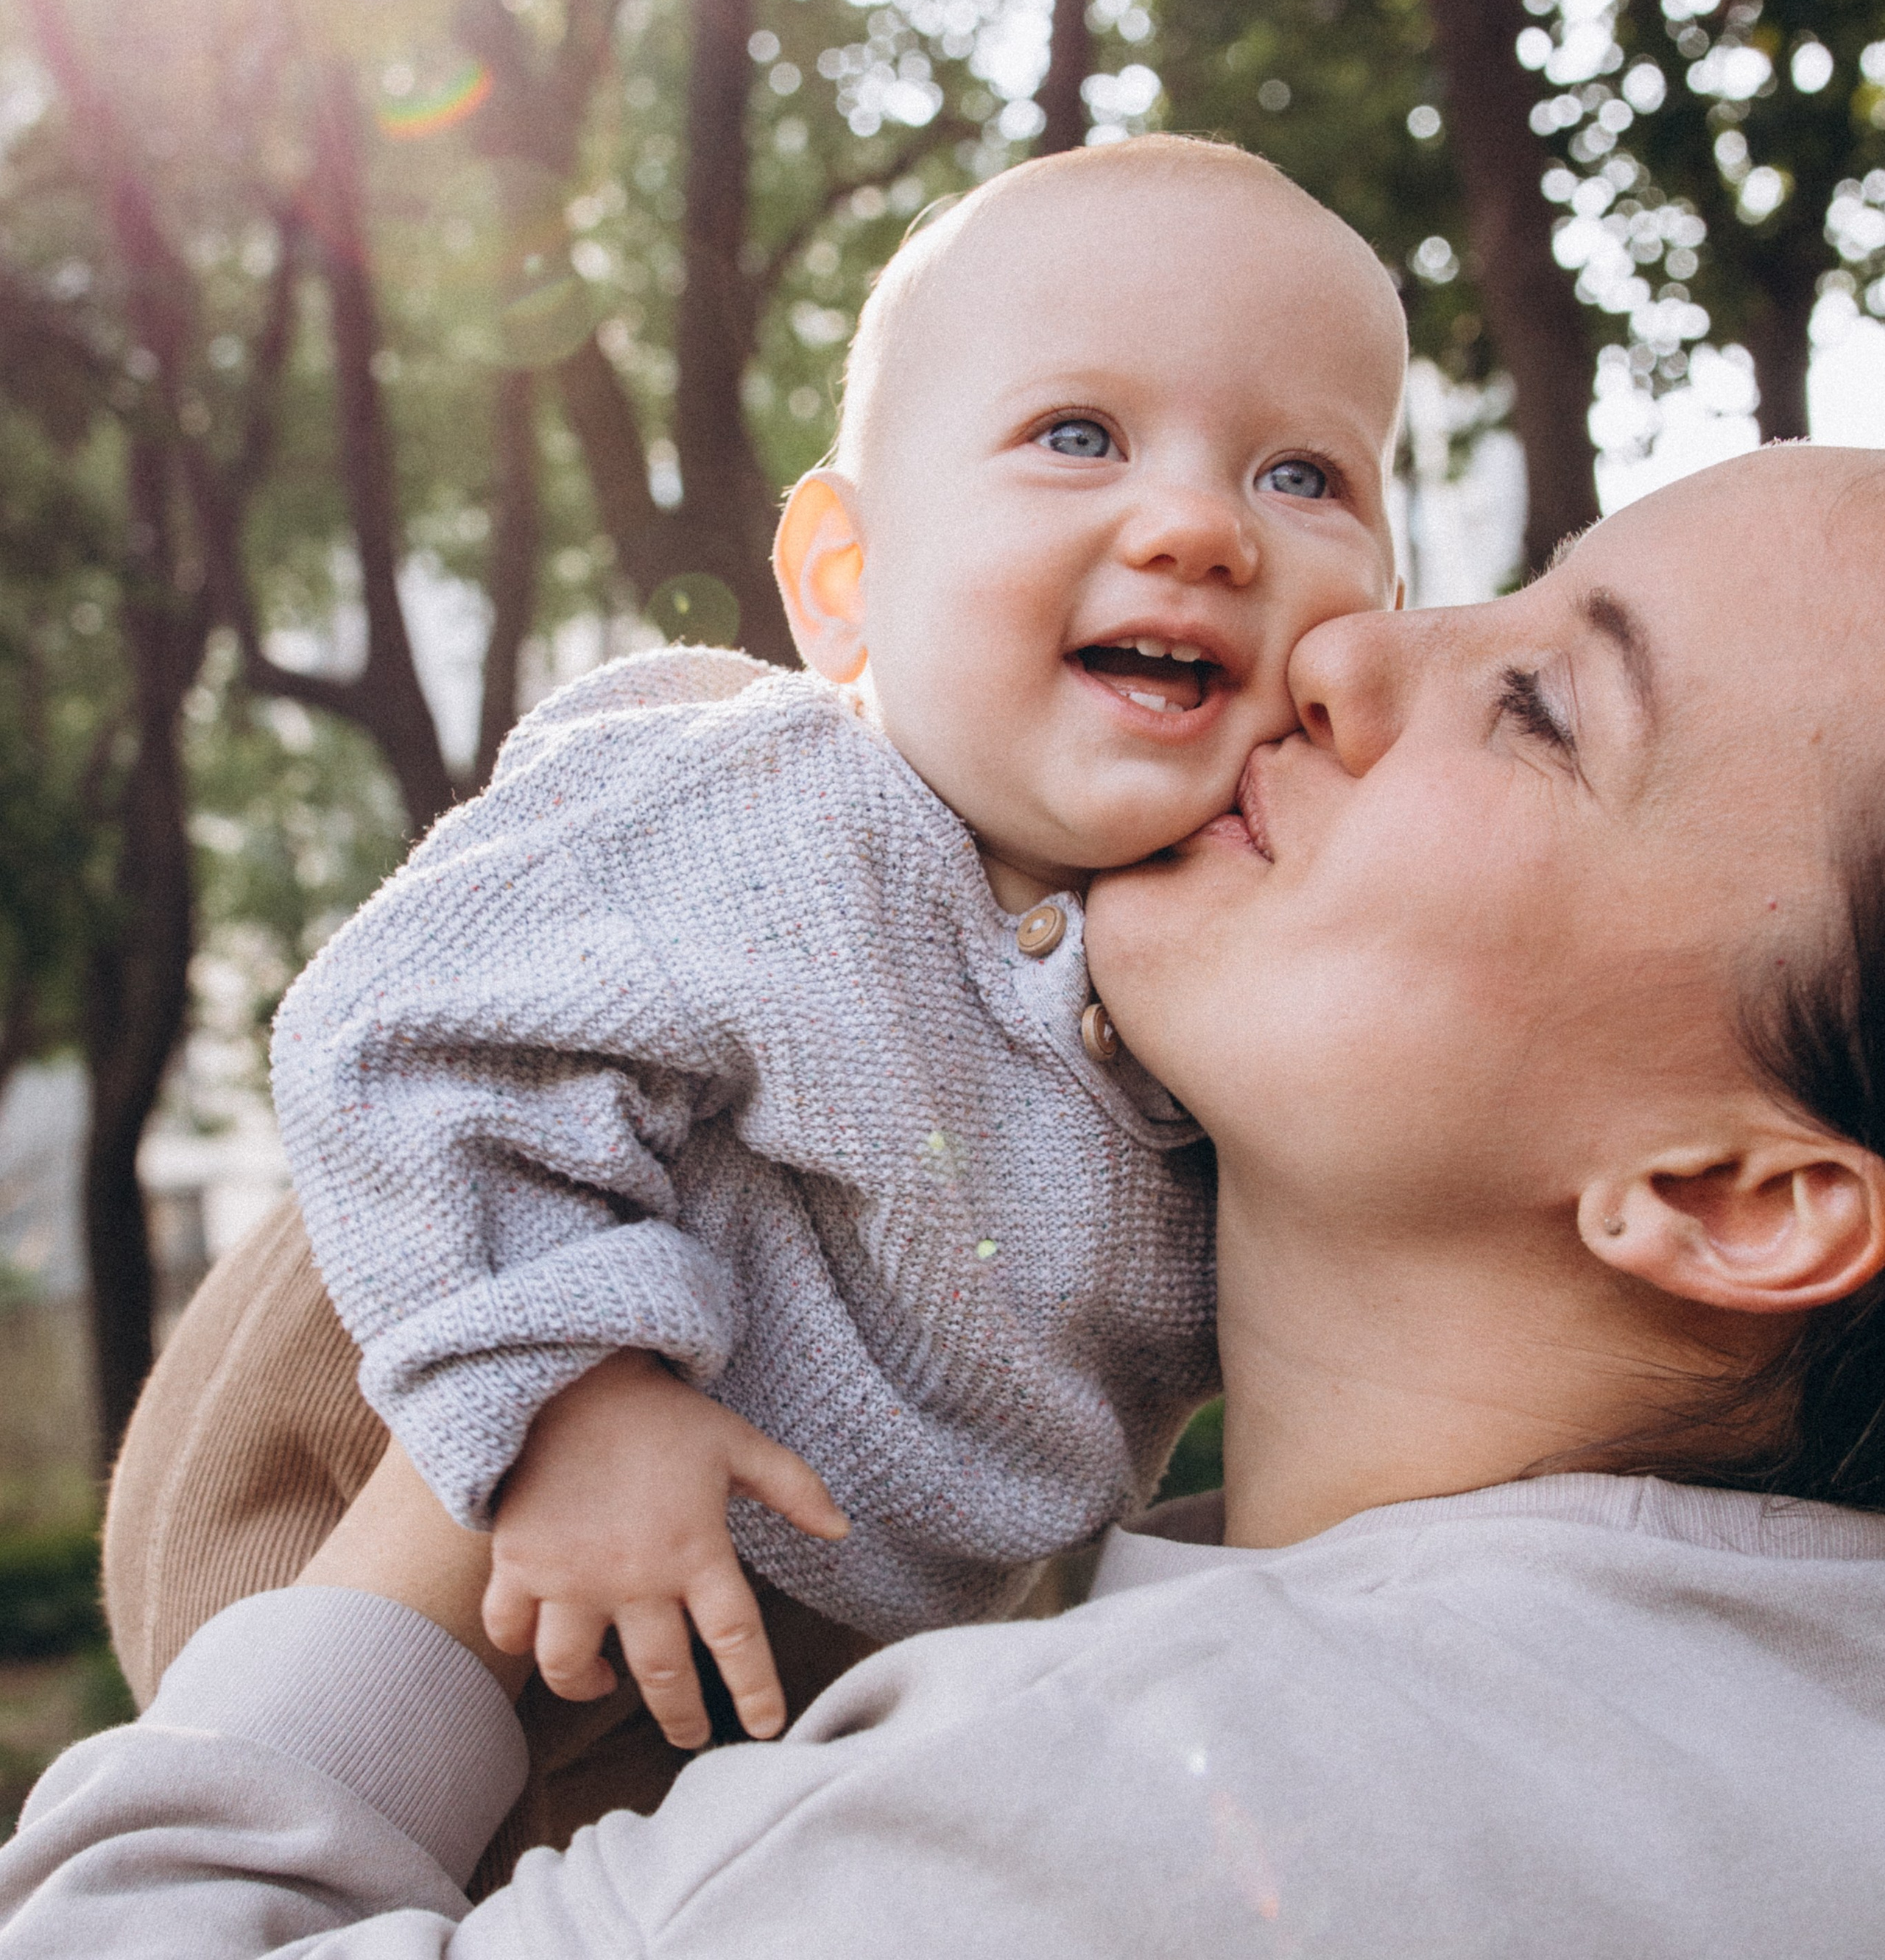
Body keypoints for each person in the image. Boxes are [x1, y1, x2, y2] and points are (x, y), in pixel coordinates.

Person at [9, 443, 1885, 1960]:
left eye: (1542, 707)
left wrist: (531, 1361)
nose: (1344, 649)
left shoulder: (1152, 1811)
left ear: (1737, 1198)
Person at [124, 135, 1404, 1821]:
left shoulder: (1254, 952)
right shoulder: (767, 808)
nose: (1194, 527)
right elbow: (399, 1026)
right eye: (1074, 436)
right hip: (404, 1483)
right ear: (844, 584)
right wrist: (573, 1399)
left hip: (766, 1660)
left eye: (1301, 476)